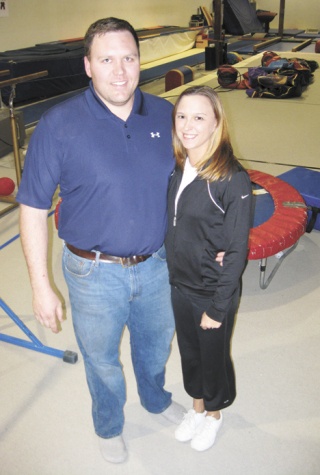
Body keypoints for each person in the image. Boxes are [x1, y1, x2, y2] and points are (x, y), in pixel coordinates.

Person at [16, 17, 186, 464]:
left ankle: (155, 399)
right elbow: (32, 207)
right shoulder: (59, 125)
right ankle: (109, 425)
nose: (120, 70)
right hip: (92, 272)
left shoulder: (168, 116)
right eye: (107, 59)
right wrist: (40, 286)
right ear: (88, 65)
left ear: (139, 60)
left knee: (155, 346)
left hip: (156, 264)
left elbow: (197, 186)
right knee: (102, 361)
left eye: (128, 58)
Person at [165, 85, 252, 452]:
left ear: (216, 123)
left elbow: (236, 250)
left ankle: (215, 414)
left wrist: (218, 307)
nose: (188, 125)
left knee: (212, 357)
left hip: (212, 289)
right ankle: (197, 408)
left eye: (199, 117)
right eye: (182, 116)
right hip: (180, 282)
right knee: (189, 353)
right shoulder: (179, 167)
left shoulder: (232, 179)